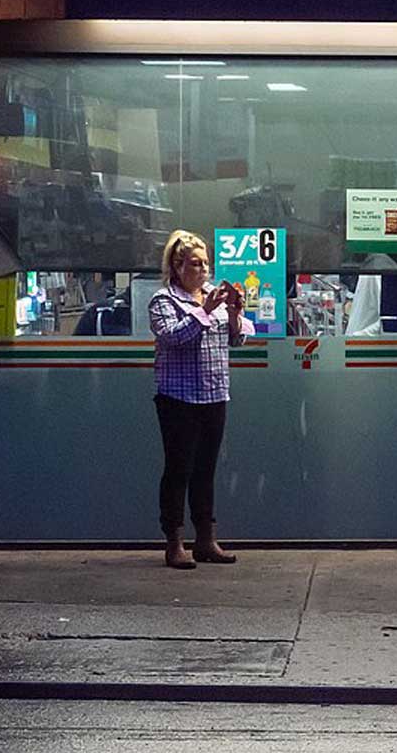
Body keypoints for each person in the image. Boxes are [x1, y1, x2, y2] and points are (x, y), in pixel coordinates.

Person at [150, 230, 251, 570]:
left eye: (206, 263)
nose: (203, 270)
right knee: (179, 469)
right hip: (178, 397)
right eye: (195, 264)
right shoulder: (164, 301)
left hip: (214, 393)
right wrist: (203, 312)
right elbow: (173, 338)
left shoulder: (212, 297)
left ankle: (206, 539)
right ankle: (174, 542)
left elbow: (238, 340)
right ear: (177, 267)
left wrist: (235, 313)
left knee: (206, 469)